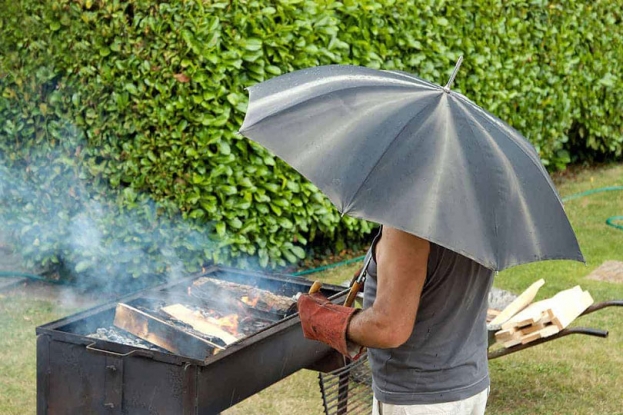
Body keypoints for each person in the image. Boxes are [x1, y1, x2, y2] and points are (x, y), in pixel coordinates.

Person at [297, 225, 495, 415]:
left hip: (420, 400)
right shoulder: (477, 213)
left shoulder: (408, 224)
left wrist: (325, 320)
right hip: (469, 384)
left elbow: (388, 328)